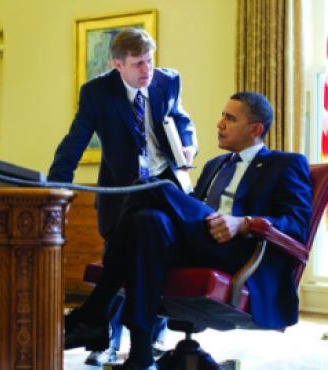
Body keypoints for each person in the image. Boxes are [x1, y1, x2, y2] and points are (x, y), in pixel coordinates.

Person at [63, 92, 313, 370]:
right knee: (148, 222)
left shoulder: (286, 163)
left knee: (156, 187)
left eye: (230, 118)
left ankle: (95, 312)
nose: (219, 124)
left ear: (256, 129)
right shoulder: (214, 165)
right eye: (222, 115)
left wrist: (243, 223)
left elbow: (296, 223)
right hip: (198, 244)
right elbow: (191, 210)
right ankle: (141, 355)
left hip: (239, 250)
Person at [47, 28, 197, 365]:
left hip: (169, 187)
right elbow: (74, 143)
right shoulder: (97, 94)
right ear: (118, 64)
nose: (147, 70)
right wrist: (57, 191)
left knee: (145, 241)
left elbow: (182, 119)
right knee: (140, 233)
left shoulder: (167, 81)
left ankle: (96, 319)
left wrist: (189, 143)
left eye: (150, 60)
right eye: (138, 64)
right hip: (123, 196)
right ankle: (117, 339)